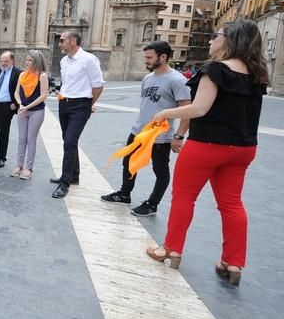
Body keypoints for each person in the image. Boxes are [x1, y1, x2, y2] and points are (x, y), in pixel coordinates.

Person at [146, 21, 268, 286]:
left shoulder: (215, 70)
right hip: (243, 148)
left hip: (207, 146)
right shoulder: (257, 73)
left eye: (217, 36)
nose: (211, 40)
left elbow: (199, 108)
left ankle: (171, 249)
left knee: (184, 198)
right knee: (232, 204)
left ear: (230, 40)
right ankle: (233, 263)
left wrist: (167, 113)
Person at [101, 42, 191, 216]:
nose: (146, 61)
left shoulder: (178, 80)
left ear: (163, 57)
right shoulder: (147, 78)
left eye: (149, 57)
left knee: (160, 171)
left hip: (160, 135)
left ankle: (152, 204)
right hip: (139, 131)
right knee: (128, 163)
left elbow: (186, 110)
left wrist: (179, 136)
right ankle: (124, 194)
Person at [50, 31, 105, 198]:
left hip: (80, 105)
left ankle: (65, 183)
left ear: (73, 41)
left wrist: (88, 105)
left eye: (62, 40)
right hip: (64, 103)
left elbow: (98, 84)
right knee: (69, 141)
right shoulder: (63, 61)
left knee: (69, 142)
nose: (59, 43)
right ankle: (74, 175)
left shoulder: (88, 59)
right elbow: (66, 83)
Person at [12, 50, 50, 179]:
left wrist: (27, 107)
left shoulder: (42, 76)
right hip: (23, 110)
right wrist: (20, 104)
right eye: (26, 59)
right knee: (21, 139)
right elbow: (16, 92)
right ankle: (19, 165)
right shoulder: (22, 75)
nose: (27, 62)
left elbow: (43, 95)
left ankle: (29, 168)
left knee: (31, 139)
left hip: (36, 111)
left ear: (36, 62)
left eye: (30, 60)